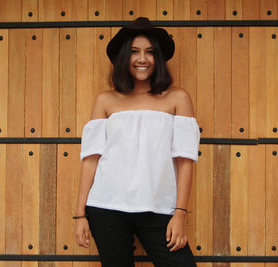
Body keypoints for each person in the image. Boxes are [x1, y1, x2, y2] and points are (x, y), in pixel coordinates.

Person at [74, 17, 200, 267]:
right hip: (106, 207)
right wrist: (80, 214)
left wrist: (180, 214)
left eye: (150, 52)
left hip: (158, 209)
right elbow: (91, 160)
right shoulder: (105, 101)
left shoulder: (178, 98)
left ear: (158, 59)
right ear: (123, 58)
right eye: (134, 52)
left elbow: (186, 160)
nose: (142, 59)